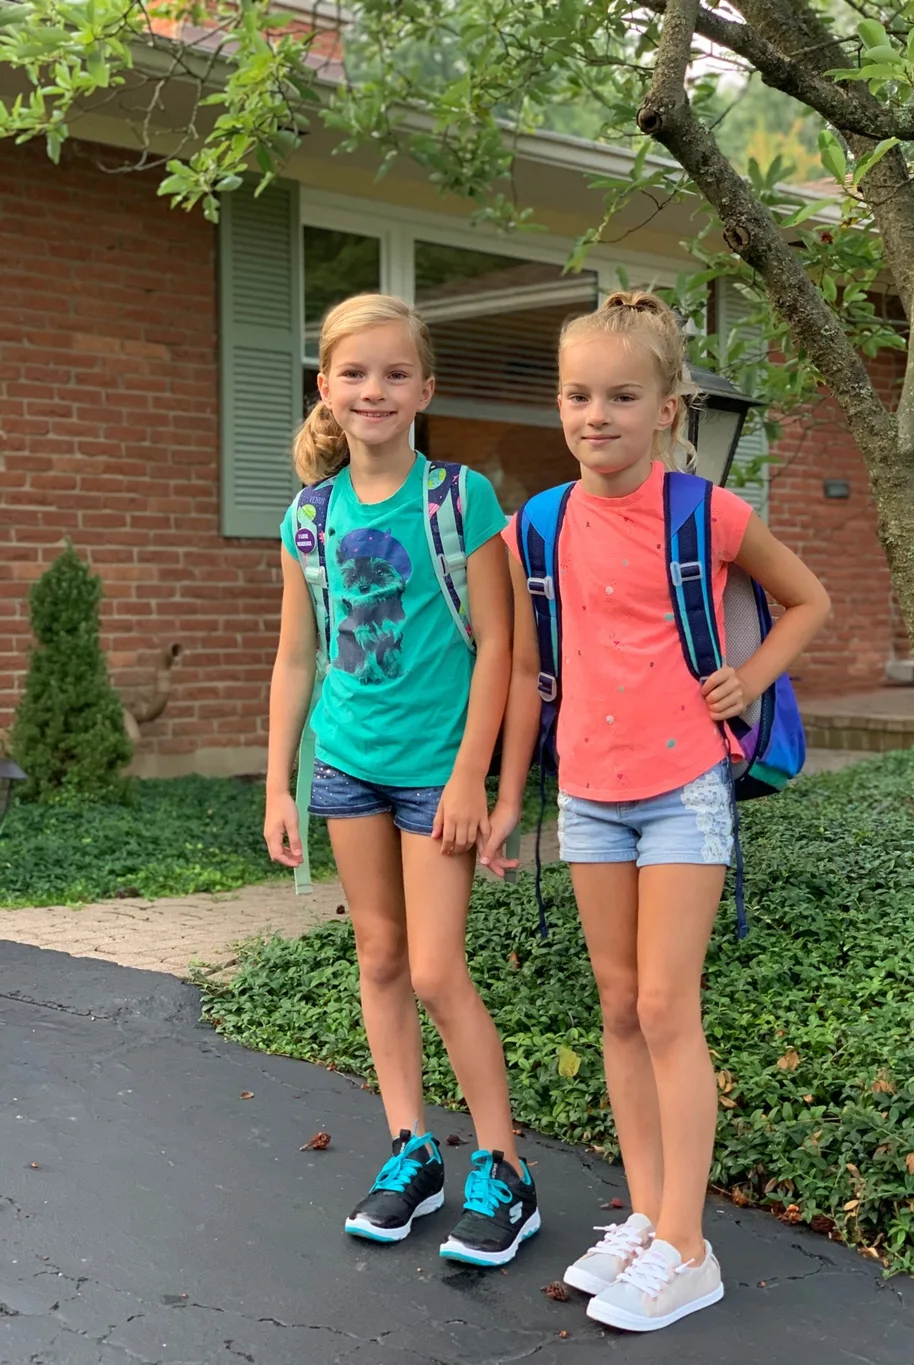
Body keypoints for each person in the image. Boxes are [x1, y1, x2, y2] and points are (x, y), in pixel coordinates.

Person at [481, 291, 829, 1329]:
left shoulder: (707, 513)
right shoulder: (533, 526)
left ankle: (688, 1245)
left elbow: (808, 598)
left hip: (683, 793)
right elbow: (522, 668)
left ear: (667, 408)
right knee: (621, 1009)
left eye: (622, 396)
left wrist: (750, 677)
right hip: (588, 798)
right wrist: (507, 799)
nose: (597, 415)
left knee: (670, 1009)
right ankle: (644, 1217)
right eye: (578, 395)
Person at [264, 293, 539, 1267]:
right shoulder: (307, 515)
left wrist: (474, 780)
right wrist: (276, 783)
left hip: (434, 774)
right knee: (378, 960)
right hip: (345, 767)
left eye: (392, 374)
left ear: (425, 388)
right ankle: (409, 1148)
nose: (372, 390)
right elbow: (299, 658)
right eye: (353, 373)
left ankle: (504, 1169)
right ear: (325, 389)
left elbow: (502, 643)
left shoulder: (458, 497)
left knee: (433, 970)